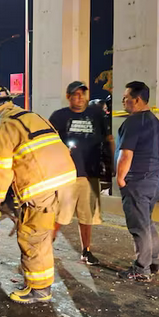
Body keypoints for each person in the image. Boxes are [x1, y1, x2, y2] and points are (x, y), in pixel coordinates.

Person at [0, 83, 76, 303]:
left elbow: (2, 172)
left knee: (31, 236)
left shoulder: (2, 126)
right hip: (67, 179)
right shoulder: (30, 115)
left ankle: (39, 289)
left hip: (42, 185)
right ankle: (39, 278)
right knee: (40, 235)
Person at [49, 81, 115, 265]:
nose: (79, 98)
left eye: (82, 94)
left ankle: (86, 251)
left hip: (91, 174)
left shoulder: (97, 115)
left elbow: (108, 138)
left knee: (88, 217)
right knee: (59, 215)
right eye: (75, 94)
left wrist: (111, 163)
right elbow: (48, 142)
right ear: (68, 96)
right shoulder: (59, 117)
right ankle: (46, 247)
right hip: (66, 175)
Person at [116, 81, 159, 282]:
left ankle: (141, 268)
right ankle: (156, 262)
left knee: (139, 227)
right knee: (147, 223)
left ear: (136, 100)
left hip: (137, 181)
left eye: (126, 98)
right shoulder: (156, 122)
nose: (123, 101)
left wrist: (120, 179)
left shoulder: (133, 122)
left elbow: (126, 154)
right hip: (154, 179)